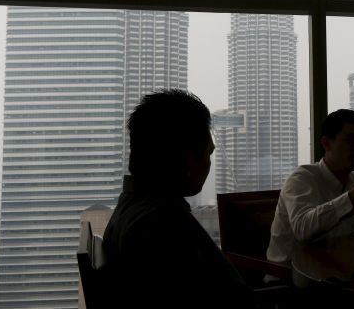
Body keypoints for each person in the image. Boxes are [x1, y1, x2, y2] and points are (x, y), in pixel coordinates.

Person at [103, 89, 253, 308]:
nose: (209, 164)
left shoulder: (134, 208)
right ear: (188, 159)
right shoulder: (163, 224)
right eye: (208, 154)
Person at [266, 109, 354, 263]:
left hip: (339, 272)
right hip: (288, 278)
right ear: (326, 143)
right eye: (350, 140)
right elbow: (302, 229)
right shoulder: (301, 179)